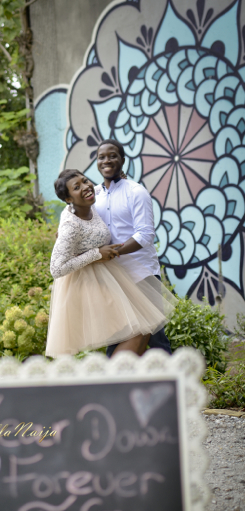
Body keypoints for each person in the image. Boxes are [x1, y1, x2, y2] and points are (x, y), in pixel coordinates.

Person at [45, 169, 178, 358]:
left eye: (85, 181)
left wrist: (118, 180)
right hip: (90, 285)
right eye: (77, 187)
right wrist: (96, 254)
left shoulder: (90, 200)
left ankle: (124, 380)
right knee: (139, 329)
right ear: (68, 199)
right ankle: (113, 380)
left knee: (144, 328)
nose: (85, 187)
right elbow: (56, 269)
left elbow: (99, 189)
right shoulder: (70, 225)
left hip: (109, 277)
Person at [94, 138, 173, 356]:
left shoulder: (136, 192)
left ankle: (172, 385)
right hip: (112, 277)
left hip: (141, 273)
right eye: (101, 157)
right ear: (97, 161)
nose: (106, 160)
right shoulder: (94, 196)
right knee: (117, 334)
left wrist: (114, 252)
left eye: (112, 155)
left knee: (156, 337)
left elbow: (145, 235)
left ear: (122, 160)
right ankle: (117, 385)